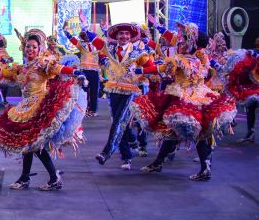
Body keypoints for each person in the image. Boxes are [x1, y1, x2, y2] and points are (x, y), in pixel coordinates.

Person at [133, 23, 236, 180]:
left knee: (191, 132)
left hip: (183, 98)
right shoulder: (201, 57)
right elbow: (212, 68)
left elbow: (161, 69)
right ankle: (162, 162)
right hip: (202, 96)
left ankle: (202, 168)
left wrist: (140, 70)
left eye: (181, 42)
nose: (178, 44)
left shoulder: (182, 59)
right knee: (177, 131)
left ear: (189, 42)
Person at [0, 29, 86, 190]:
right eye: (28, 46)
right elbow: (2, 71)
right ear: (23, 48)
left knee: (34, 144)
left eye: (34, 47)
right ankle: (26, 178)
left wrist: (76, 72)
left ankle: (52, 178)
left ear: (39, 48)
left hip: (40, 107)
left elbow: (59, 69)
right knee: (28, 143)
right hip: (25, 107)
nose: (30, 50)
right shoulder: (20, 68)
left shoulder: (43, 63)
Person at [76, 16, 156, 171]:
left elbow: (152, 66)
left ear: (131, 36)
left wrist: (142, 71)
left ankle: (106, 152)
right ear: (116, 36)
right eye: (121, 34)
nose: (124, 37)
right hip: (113, 89)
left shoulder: (139, 52)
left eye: (127, 34)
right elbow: (96, 41)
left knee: (119, 121)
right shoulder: (110, 48)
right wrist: (84, 25)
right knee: (120, 123)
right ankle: (127, 155)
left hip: (131, 91)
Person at [224, 37, 259, 143]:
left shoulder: (252, 53)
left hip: (254, 88)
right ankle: (250, 132)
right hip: (254, 88)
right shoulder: (251, 53)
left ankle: (250, 132)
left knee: (251, 106)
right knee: (251, 106)